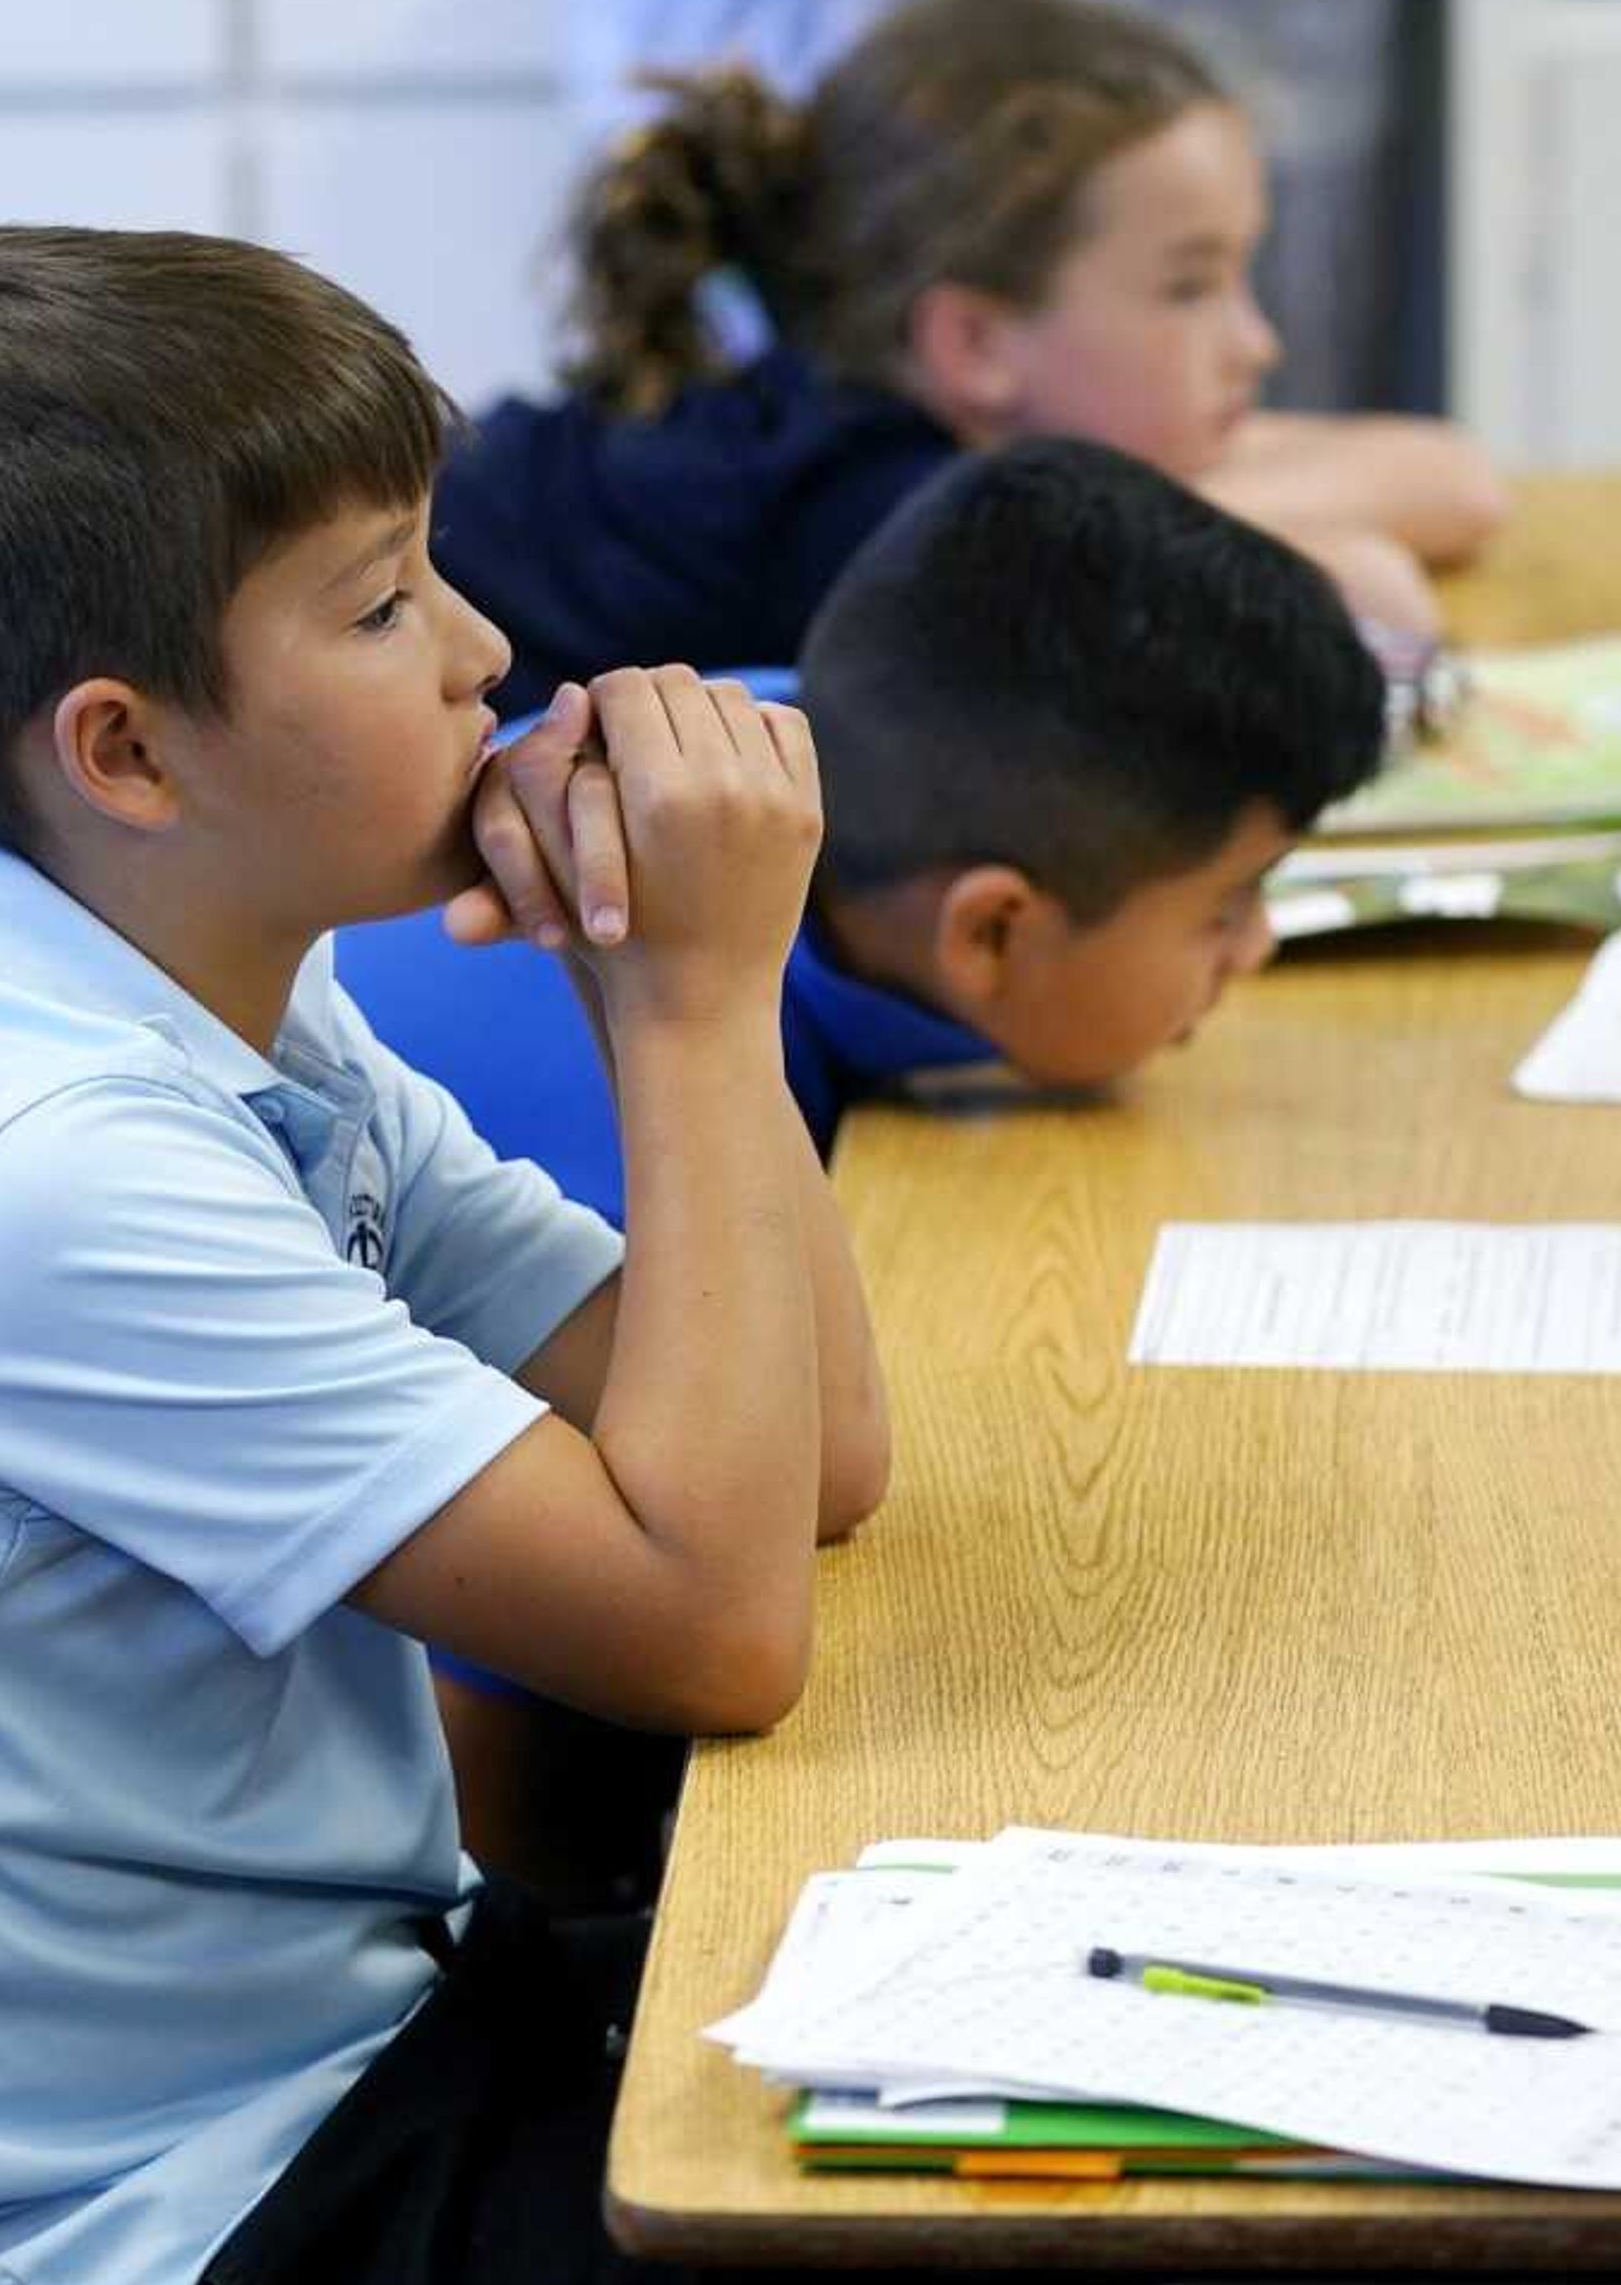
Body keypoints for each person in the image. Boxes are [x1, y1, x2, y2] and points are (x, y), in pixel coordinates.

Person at [0, 224, 886, 2285]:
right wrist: (693, 1005)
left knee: (918, 2096)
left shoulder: (230, 1004)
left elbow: (821, 1460)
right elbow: (718, 1622)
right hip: (168, 2284)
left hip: (349, 2066)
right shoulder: (53, 1176)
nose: (487, 647)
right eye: (384, 602)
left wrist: (661, 985)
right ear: (125, 751)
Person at [358, 434, 1387, 1894]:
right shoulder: (576, 1060)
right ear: (990, 933)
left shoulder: (781, 779)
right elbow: (500, 1747)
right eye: (1227, 906)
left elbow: (821, 1465)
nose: (1254, 950)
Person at [430, 0, 1504, 717]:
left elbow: (1452, 479)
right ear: (976, 343)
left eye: (1243, 273)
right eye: (1191, 287)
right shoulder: (882, 511)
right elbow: (1373, 581)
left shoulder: (864, 408)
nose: (1256, 342)